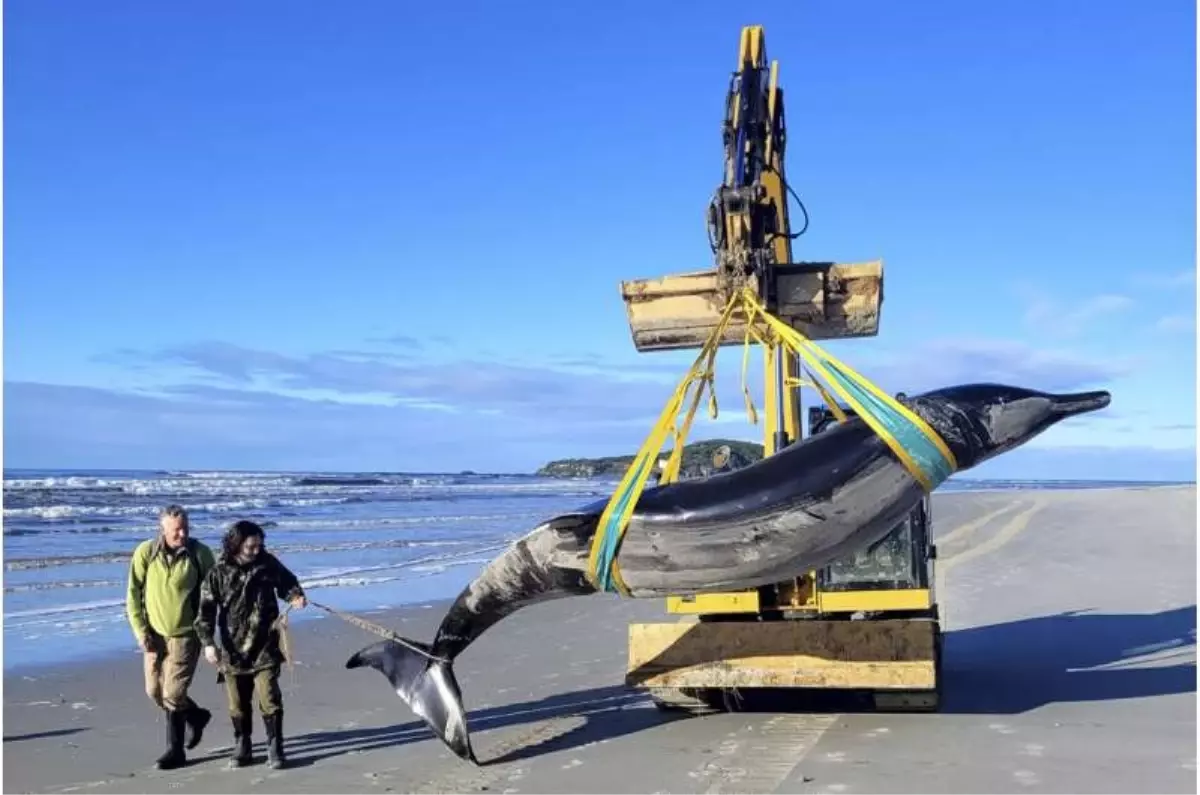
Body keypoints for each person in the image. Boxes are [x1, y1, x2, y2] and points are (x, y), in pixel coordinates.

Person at [195, 519, 307, 770]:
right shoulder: (218, 572)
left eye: (260, 545)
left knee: (269, 696)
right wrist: (208, 644)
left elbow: (287, 583)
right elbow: (205, 611)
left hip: (265, 643)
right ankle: (242, 745)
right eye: (251, 547)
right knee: (237, 702)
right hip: (232, 649)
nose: (257, 550)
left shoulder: (267, 564)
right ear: (236, 545)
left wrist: (296, 596)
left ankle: (275, 747)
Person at [125, 504, 217, 770]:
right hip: (153, 635)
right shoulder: (145, 552)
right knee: (154, 691)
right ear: (162, 529)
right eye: (176, 529)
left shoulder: (200, 554)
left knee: (173, 693)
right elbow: (133, 594)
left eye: (186, 528)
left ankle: (174, 751)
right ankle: (196, 716)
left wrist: (208, 634)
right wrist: (140, 631)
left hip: (186, 635)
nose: (182, 534)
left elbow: (212, 595)